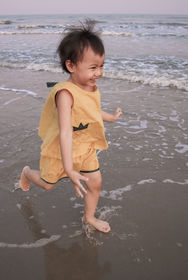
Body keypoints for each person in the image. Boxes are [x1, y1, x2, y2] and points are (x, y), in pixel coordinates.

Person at [19, 20, 122, 233]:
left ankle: (89, 217)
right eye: (93, 67)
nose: (99, 73)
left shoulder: (90, 87)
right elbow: (65, 132)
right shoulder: (64, 94)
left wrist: (110, 117)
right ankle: (28, 172)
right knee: (48, 184)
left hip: (85, 146)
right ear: (71, 66)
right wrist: (68, 169)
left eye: (101, 66)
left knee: (95, 182)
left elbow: (90, 112)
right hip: (60, 150)